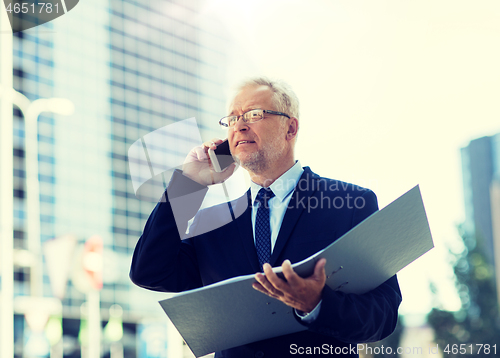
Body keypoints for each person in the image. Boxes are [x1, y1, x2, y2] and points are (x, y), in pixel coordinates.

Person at [130, 77, 402, 357]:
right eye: (233, 119)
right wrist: (189, 184)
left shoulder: (350, 205)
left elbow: (383, 314)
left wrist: (318, 303)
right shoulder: (211, 224)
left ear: (290, 128)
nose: (240, 125)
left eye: (254, 114)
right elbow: (149, 272)